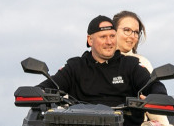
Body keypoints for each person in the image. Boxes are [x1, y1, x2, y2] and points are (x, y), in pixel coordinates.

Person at [38, 15, 166, 109]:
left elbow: (155, 86)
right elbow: (48, 86)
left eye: (112, 36)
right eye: (103, 37)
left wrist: (156, 96)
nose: (109, 42)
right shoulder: (75, 67)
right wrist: (38, 92)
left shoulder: (130, 65)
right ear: (90, 40)